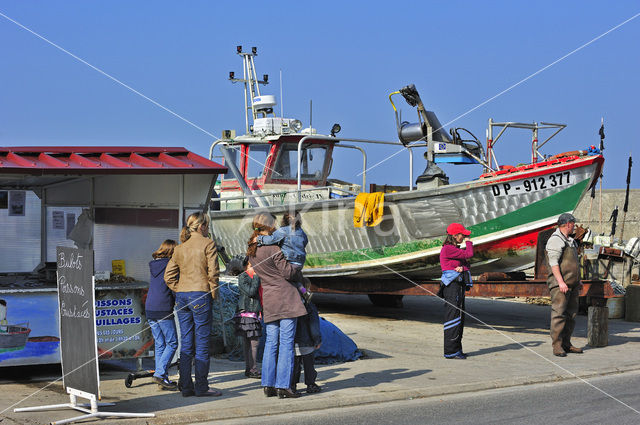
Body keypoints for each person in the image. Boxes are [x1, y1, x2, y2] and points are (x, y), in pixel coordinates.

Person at [248, 213, 307, 399]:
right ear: (269, 225)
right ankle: (283, 386)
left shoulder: (252, 249)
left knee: (271, 343)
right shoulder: (274, 248)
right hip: (286, 298)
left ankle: (267, 384)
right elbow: (288, 273)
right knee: (286, 344)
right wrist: (299, 273)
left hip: (270, 299)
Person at [165, 212, 222, 397]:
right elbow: (213, 272)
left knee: (187, 343)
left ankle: (186, 386)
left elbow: (168, 276)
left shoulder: (180, 248)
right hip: (200, 294)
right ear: (201, 226)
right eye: (207, 225)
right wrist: (213, 292)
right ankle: (202, 387)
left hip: (182, 296)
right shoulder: (208, 243)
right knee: (203, 342)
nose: (208, 228)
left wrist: (180, 288)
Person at [545, 213, 584, 357]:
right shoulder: (555, 240)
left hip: (572, 284)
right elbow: (553, 263)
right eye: (573, 224)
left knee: (571, 315)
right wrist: (561, 282)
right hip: (560, 285)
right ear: (568, 224)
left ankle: (567, 344)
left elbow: (573, 264)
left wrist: (577, 280)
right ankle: (557, 346)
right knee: (559, 314)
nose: (574, 227)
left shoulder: (571, 241)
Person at [256, 211, 312, 301]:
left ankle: (292, 299)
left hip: (288, 262)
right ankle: (305, 292)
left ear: (284, 220)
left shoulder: (284, 230)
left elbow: (271, 239)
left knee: (280, 278)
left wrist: (259, 239)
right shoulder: (302, 232)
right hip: (299, 263)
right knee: (295, 280)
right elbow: (304, 243)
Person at [146, 240, 179, 391]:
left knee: (160, 343)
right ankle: (160, 374)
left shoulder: (154, 264)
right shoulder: (170, 265)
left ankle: (162, 376)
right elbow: (172, 286)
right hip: (163, 308)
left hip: (150, 308)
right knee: (172, 343)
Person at [439, 222, 473, 360]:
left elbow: (467, 265)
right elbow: (469, 254)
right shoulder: (448, 249)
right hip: (451, 286)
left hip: (458, 285)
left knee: (459, 317)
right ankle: (450, 351)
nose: (464, 237)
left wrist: (462, 268)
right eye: (462, 235)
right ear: (455, 235)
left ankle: (457, 348)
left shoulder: (455, 249)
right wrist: (469, 242)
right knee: (453, 317)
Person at [229, 256, 262, 379]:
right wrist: (256, 276)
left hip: (254, 314)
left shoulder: (256, 277)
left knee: (251, 344)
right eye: (252, 265)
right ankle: (252, 369)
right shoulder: (243, 277)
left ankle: (250, 369)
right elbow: (251, 292)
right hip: (247, 314)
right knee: (252, 343)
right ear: (246, 265)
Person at [291, 297, 322, 394]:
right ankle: (310, 384)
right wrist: (317, 340)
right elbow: (314, 325)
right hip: (307, 342)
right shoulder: (309, 306)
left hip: (293, 341)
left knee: (295, 365)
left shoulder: (290, 304)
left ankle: (292, 385)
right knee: (309, 365)